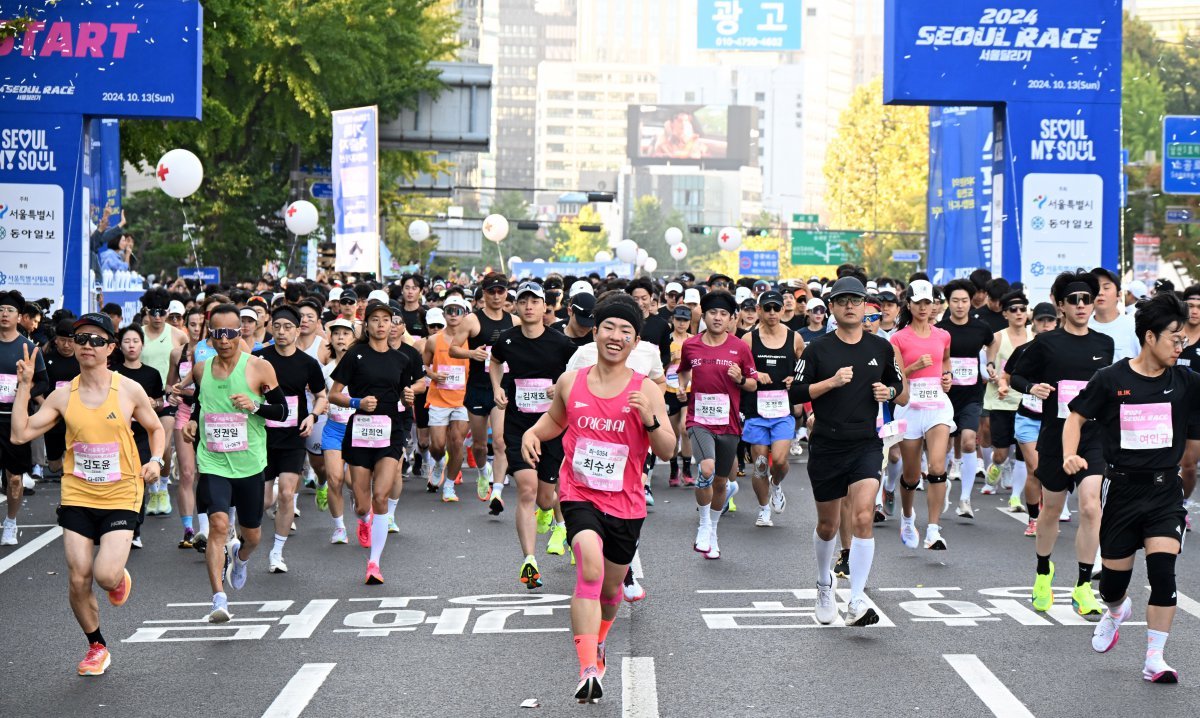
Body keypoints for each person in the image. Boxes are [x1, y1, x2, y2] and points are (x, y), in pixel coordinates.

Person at [519, 294, 675, 703]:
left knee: (609, 594)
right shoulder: (573, 380)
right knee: (587, 564)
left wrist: (651, 420)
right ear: (595, 331)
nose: (616, 336)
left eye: (626, 331)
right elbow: (556, 419)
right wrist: (532, 433)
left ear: (636, 341)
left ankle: (600, 643)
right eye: (609, 327)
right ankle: (587, 667)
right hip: (579, 493)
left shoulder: (646, 391)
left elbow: (667, 450)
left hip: (626, 503)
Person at [10, 313, 164, 675]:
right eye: (81, 340)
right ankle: (96, 646)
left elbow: (156, 428)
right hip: (78, 491)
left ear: (111, 348)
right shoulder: (65, 395)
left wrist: (155, 459)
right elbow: (20, 434)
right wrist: (24, 386)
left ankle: (117, 578)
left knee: (105, 575)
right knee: (78, 576)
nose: (87, 346)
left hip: (122, 491)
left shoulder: (128, 389)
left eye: (97, 340)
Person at [1069, 293, 1194, 683]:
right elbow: (1075, 416)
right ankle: (1116, 610)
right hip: (1121, 490)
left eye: (1184, 339)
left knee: (1163, 572)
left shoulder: (1187, 381)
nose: (1180, 346)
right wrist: (1070, 455)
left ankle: (1155, 657)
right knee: (1112, 585)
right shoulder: (1111, 379)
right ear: (1150, 337)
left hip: (1164, 493)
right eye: (1174, 338)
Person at [792, 277, 906, 625]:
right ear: (832, 307)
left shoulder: (881, 347)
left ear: (866, 305)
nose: (850, 306)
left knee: (861, 517)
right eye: (842, 301)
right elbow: (795, 394)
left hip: (866, 444)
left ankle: (856, 600)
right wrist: (831, 382)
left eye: (856, 300)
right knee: (828, 525)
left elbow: (899, 386)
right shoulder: (817, 350)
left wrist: (888, 391)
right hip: (826, 444)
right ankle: (825, 583)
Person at [1009, 271, 1113, 618]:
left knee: (1090, 508)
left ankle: (1083, 586)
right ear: (1061, 305)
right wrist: (1031, 388)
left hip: (1094, 437)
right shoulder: (1046, 342)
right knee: (1051, 509)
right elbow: (1017, 375)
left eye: (1087, 299)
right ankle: (1043, 572)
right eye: (1074, 300)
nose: (1082, 305)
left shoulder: (1103, 344)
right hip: (1054, 435)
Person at [180, 304, 288, 622]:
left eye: (230, 333)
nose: (224, 340)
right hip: (213, 460)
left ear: (241, 333)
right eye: (218, 334)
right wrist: (192, 422)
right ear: (209, 335)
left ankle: (239, 558)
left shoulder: (258, 368)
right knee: (217, 525)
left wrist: (255, 405)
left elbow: (283, 411)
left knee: (252, 535)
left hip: (250, 464)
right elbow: (202, 404)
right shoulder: (201, 369)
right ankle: (218, 599)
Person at [491, 282, 577, 588]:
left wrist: (562, 386)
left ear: (545, 308)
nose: (528, 306)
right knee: (526, 491)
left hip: (553, 427)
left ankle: (551, 515)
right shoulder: (507, 340)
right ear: (516, 307)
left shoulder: (562, 343)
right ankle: (529, 561)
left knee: (544, 498)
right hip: (518, 427)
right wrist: (497, 388)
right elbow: (495, 362)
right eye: (523, 301)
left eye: (534, 302)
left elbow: (579, 373)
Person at [329, 300, 422, 584]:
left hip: (389, 431)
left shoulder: (401, 359)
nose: (382, 325)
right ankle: (361, 518)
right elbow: (334, 394)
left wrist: (409, 396)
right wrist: (357, 401)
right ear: (366, 325)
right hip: (360, 431)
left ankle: (374, 564)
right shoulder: (355, 355)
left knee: (381, 497)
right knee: (362, 504)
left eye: (386, 320)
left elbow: (409, 390)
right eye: (375, 320)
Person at [676, 290, 758, 560]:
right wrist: (682, 386)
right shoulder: (691, 345)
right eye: (713, 313)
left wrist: (739, 380)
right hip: (699, 420)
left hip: (729, 422)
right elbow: (685, 370)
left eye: (723, 313)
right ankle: (702, 525)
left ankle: (713, 531)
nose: (718, 318)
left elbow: (753, 383)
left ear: (731, 318)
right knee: (707, 468)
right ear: (704, 315)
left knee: (722, 483)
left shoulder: (740, 347)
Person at [255, 306, 328, 573]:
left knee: (287, 493)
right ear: (271, 328)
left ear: (298, 331)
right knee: (260, 501)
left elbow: (321, 396)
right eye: (277, 327)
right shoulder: (258, 359)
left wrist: (312, 416)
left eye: (288, 327)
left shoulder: (308, 364)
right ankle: (238, 536)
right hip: (261, 435)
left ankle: (277, 552)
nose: (282, 332)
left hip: (293, 436)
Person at [889, 280, 954, 550]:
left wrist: (947, 377)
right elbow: (894, 376)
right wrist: (915, 366)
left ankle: (933, 530)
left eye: (929, 302)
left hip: (938, 405)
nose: (925, 307)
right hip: (909, 406)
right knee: (912, 475)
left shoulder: (942, 335)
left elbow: (946, 360)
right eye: (919, 303)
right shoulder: (898, 338)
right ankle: (907, 518)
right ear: (910, 304)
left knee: (938, 468)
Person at [450, 273, 518, 509]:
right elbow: (453, 349)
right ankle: (481, 472)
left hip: (502, 388)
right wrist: (471, 354)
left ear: (507, 293)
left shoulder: (514, 322)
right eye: (492, 291)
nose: (497, 296)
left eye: (501, 291)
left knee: (499, 441)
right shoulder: (472, 321)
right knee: (479, 445)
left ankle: (497, 492)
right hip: (478, 387)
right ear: (484, 294)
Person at [740, 291, 804, 528]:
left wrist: (794, 379)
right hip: (756, 409)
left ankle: (776, 485)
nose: (772, 313)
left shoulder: (794, 337)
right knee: (759, 465)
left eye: (776, 308)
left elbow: (806, 368)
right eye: (767, 308)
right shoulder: (749, 339)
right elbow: (741, 369)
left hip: (782, 409)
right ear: (759, 311)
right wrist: (756, 374)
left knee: (778, 460)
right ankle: (763, 508)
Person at [936, 279, 994, 519]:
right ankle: (946, 482)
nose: (960, 306)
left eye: (964, 301)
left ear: (971, 302)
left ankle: (965, 499)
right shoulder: (940, 330)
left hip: (971, 395)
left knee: (969, 441)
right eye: (955, 301)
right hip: (944, 396)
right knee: (943, 448)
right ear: (948, 303)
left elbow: (992, 342)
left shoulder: (981, 328)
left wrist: (989, 363)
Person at [1001, 302, 1058, 537]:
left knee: (1052, 471)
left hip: (1055, 420)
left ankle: (1050, 512)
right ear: (1033, 322)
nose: (1045, 325)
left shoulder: (1065, 352)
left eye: (1050, 320)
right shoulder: (1024, 350)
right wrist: (1010, 386)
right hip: (1028, 418)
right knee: (1035, 469)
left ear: (1057, 322)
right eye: (1041, 320)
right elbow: (1008, 375)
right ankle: (1034, 518)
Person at [112, 325, 167, 548]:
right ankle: (116, 525)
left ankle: (135, 529)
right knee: (117, 479)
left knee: (138, 479)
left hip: (143, 434)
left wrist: (155, 403)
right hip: (117, 434)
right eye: (127, 341)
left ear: (142, 345)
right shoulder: (113, 374)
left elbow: (162, 403)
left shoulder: (152, 374)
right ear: (119, 346)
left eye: (135, 341)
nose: (132, 345)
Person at [0, 290, 48, 545]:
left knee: (15, 478)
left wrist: (25, 391)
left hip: (15, 420)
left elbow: (43, 383)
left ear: (19, 316)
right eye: (0, 310)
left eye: (9, 310)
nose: (4, 314)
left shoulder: (28, 348)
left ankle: (10, 521)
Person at [983, 292, 1033, 512]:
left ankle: (1015, 497)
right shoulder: (998, 337)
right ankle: (996, 466)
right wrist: (993, 373)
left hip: (1028, 401)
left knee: (1025, 453)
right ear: (1005, 314)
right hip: (1001, 401)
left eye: (1023, 308)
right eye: (1013, 309)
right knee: (1002, 453)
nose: (1019, 313)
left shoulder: (1035, 336)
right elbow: (989, 363)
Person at [165, 307, 208, 549]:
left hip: (207, 416)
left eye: (200, 324)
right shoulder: (176, 353)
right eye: (191, 324)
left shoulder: (212, 353)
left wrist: (189, 391)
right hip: (183, 414)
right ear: (185, 326)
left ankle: (207, 526)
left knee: (206, 473)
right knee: (188, 473)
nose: (195, 328)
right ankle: (188, 529)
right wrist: (170, 395)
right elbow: (170, 385)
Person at [424, 296, 473, 501]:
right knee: (436, 445)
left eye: (458, 311)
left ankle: (450, 486)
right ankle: (438, 462)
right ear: (444, 314)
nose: (453, 315)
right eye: (450, 311)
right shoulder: (434, 340)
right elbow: (423, 366)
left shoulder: (472, 340)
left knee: (456, 442)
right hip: (438, 398)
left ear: (464, 315)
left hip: (463, 399)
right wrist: (433, 375)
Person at [318, 318, 357, 543]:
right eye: (337, 333)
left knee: (353, 482)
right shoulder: (325, 369)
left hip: (358, 430)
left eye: (346, 333)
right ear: (330, 338)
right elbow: (318, 395)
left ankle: (358, 504)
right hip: (333, 428)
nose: (341, 337)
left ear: (354, 338)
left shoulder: (362, 366)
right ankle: (340, 527)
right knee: (334, 479)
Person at [42, 318, 81, 482]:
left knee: (74, 448)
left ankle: (71, 474)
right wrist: (43, 404)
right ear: (56, 340)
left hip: (77, 411)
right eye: (63, 340)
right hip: (53, 412)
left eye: (70, 341)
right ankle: (61, 466)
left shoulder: (82, 359)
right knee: (53, 462)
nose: (66, 345)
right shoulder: (47, 359)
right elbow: (38, 385)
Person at [666, 305, 694, 487]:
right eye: (678, 320)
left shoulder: (694, 340)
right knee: (673, 434)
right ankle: (673, 468)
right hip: (669, 389)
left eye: (685, 320)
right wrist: (671, 357)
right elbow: (657, 362)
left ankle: (687, 470)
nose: (681, 323)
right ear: (673, 320)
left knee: (685, 429)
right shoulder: (666, 339)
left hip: (690, 388)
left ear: (690, 322)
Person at [1090, 268, 1140, 362]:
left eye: (1106, 288)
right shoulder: (1083, 327)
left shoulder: (1133, 326)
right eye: (1095, 288)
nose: (1100, 293)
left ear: (1119, 295)